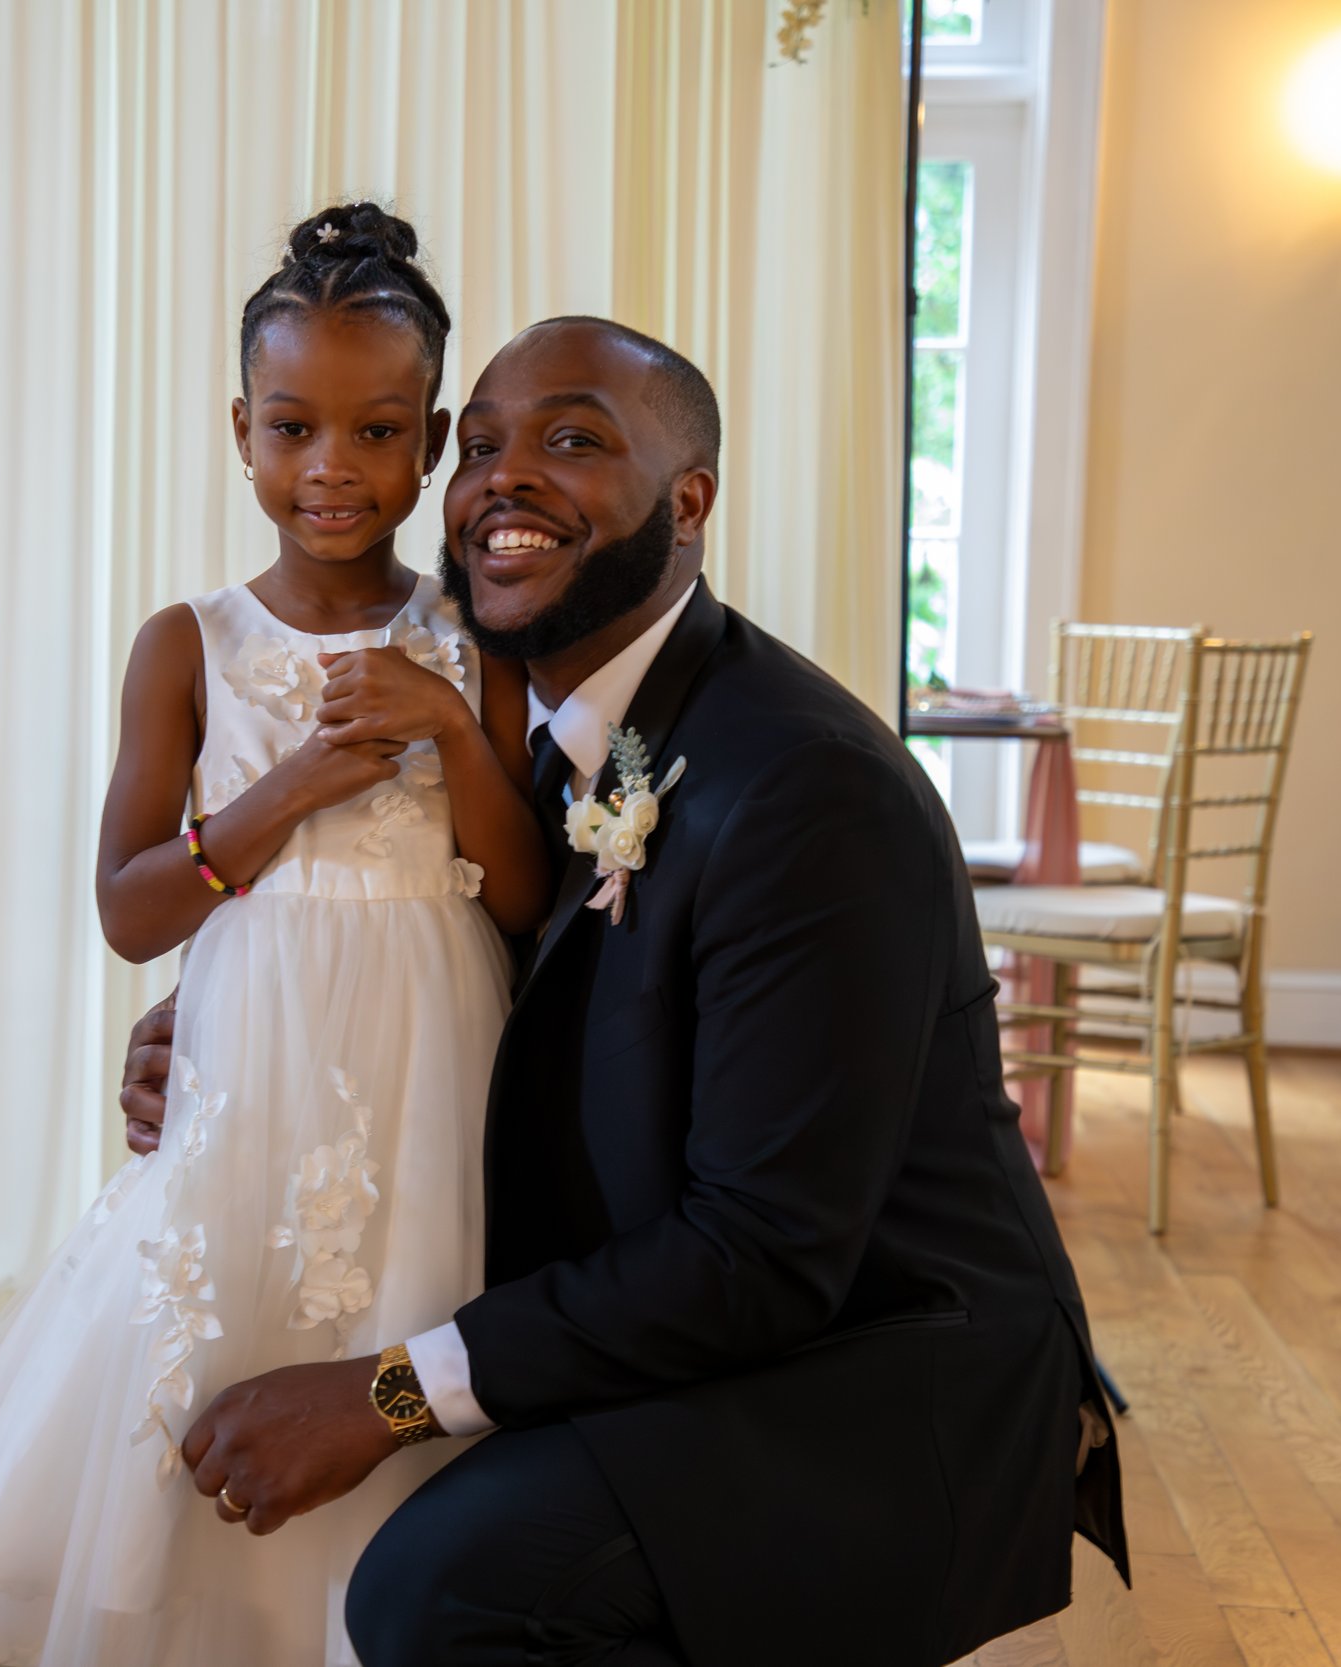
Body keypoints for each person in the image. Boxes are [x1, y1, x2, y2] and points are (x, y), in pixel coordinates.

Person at [123, 317, 1130, 1667]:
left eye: (574, 441)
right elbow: (480, 973)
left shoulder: (806, 788)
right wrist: (234, 1032)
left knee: (439, 1589)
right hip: (686, 1319)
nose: (504, 478)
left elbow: (764, 1252)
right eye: (483, 446)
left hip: (874, 1374)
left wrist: (388, 1394)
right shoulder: (535, 744)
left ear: (689, 501)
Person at [0, 203, 552, 1667]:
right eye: (293, 428)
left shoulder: (471, 640)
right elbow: (130, 912)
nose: (332, 468)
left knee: (404, 1300)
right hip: (257, 1053)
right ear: (240, 432)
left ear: (432, 443)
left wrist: (448, 729)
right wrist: (294, 786)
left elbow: (521, 896)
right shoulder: (190, 643)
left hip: (436, 1058)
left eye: (378, 433)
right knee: (230, 1310)